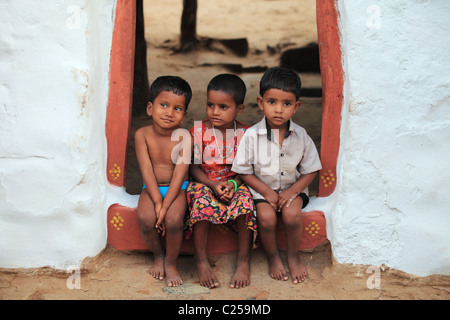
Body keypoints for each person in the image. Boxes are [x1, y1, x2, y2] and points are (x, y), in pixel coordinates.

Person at [232, 67, 322, 284]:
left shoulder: (301, 136)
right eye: (272, 102)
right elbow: (243, 171)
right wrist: (267, 193)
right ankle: (273, 257)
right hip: (261, 190)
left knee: (291, 216)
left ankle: (293, 256)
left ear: (296, 106)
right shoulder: (251, 136)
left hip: (293, 189)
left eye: (287, 104)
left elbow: (311, 170)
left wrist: (292, 191)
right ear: (261, 102)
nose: (279, 110)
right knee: (266, 217)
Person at [186, 74, 257, 289]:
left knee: (246, 202)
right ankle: (200, 259)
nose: (215, 112)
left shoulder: (246, 134)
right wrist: (213, 185)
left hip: (236, 183)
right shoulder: (198, 132)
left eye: (223, 107)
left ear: (239, 109)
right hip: (205, 183)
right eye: (210, 105)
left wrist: (233, 185)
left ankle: (243, 259)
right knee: (201, 203)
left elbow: (248, 169)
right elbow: (193, 169)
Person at [135, 76, 192, 287]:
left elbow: (180, 174)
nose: (169, 113)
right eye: (164, 105)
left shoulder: (185, 137)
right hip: (150, 187)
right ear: (150, 108)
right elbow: (146, 170)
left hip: (178, 188)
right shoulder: (142, 135)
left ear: (184, 116)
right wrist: (157, 203)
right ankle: (158, 255)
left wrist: (166, 204)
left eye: (177, 109)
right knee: (145, 217)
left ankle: (171, 262)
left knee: (174, 219)